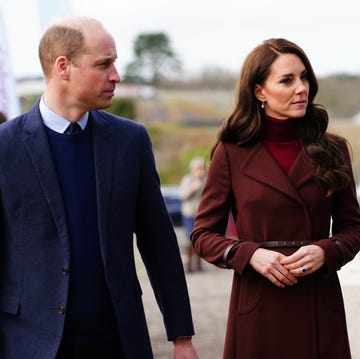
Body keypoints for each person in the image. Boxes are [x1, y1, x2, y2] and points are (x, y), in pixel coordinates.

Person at [0, 17, 199, 359]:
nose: (116, 76)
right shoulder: (5, 146)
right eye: (103, 64)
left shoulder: (130, 140)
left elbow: (159, 242)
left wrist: (181, 337)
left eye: (115, 63)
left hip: (118, 339)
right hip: (28, 343)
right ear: (63, 67)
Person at [191, 38, 360, 359]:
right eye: (287, 80)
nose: (302, 88)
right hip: (258, 304)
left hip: (318, 302)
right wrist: (249, 254)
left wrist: (326, 250)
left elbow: (354, 228)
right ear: (259, 92)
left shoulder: (333, 150)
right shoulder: (231, 152)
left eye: (304, 77)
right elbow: (203, 235)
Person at [179, 157, 206, 272]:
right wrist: (193, 187)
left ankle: (198, 264)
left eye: (201, 168)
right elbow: (183, 195)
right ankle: (189, 264)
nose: (200, 170)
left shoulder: (206, 180)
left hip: (201, 213)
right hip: (189, 213)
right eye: (198, 168)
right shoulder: (187, 179)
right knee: (189, 238)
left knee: (201, 238)